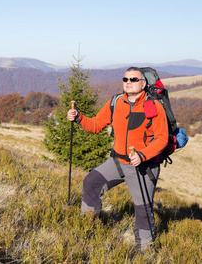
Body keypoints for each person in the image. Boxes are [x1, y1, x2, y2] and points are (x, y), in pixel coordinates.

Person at [67, 67, 168, 249]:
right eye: (125, 79)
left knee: (143, 209)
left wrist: (143, 155)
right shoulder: (116, 102)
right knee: (91, 182)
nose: (128, 82)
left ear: (143, 84)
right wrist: (79, 117)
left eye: (134, 79)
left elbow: (162, 139)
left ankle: (145, 251)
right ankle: (87, 228)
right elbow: (97, 125)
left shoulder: (153, 106)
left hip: (143, 167)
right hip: (118, 162)